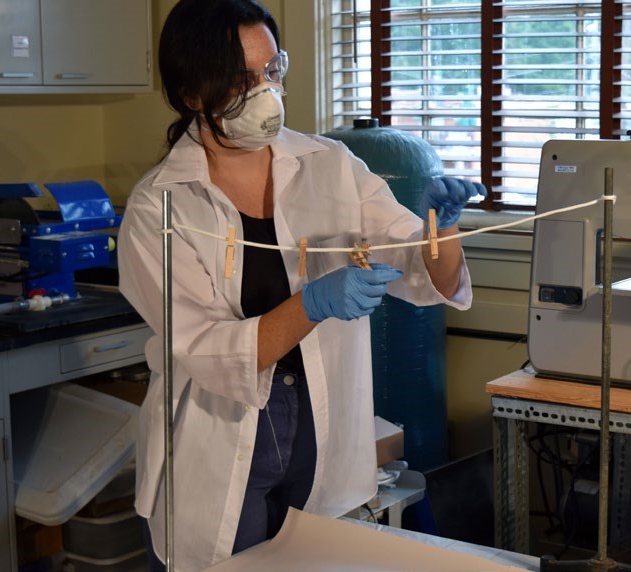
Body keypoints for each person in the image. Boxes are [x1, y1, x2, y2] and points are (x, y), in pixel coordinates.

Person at [117, 0, 486, 570]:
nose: (265, 91)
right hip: (216, 441)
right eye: (243, 80)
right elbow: (207, 351)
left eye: (271, 70)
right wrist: (312, 303)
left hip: (319, 429)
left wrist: (447, 227)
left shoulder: (330, 164)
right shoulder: (159, 207)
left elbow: (422, 271)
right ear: (192, 93)